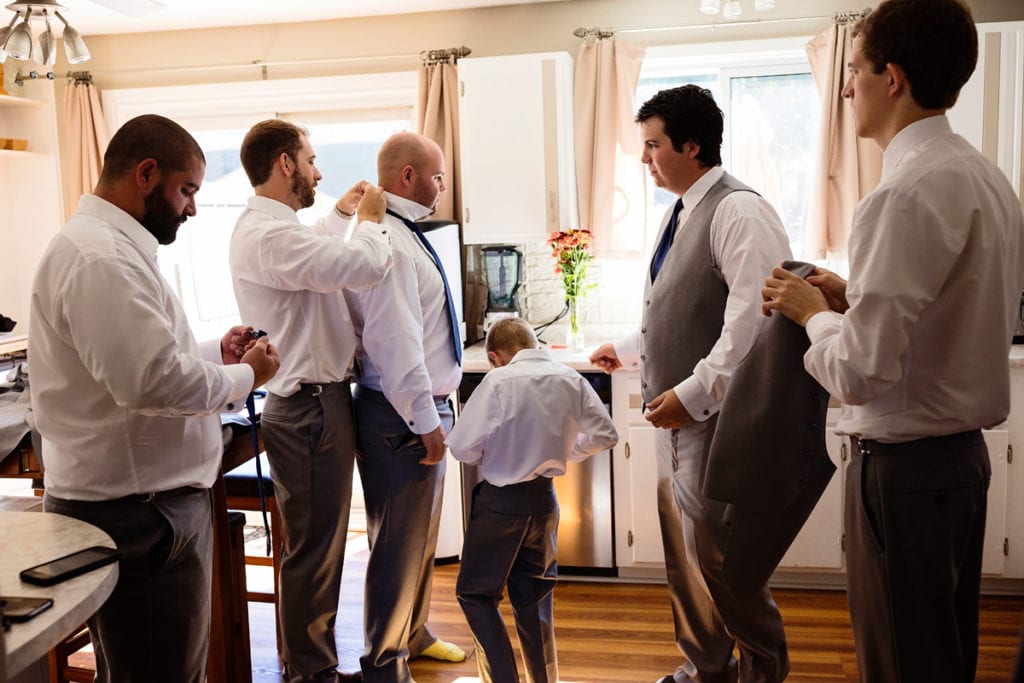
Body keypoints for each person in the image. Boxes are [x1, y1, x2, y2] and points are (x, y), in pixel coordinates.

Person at [761, 1, 1024, 679]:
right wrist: (851, 292)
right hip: (962, 465)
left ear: (893, 78)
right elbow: (944, 308)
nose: (845, 88)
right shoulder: (988, 179)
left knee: (903, 663)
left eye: (853, 69)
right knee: (944, 656)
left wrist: (810, 312)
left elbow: (860, 372)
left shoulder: (899, 195)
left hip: (906, 476)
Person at [29, 114, 281, 683]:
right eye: (187, 189)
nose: (192, 207)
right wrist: (246, 378)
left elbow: (136, 360)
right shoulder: (100, 259)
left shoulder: (110, 248)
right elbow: (150, 382)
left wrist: (216, 351)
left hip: (147, 507)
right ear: (146, 174)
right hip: (138, 516)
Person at [589, 85, 792, 683]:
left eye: (653, 145)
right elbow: (674, 304)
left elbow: (754, 323)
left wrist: (693, 395)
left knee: (726, 562)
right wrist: (627, 348)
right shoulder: (680, 212)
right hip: (673, 420)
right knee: (685, 558)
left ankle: (764, 670)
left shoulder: (740, 211)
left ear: (693, 144)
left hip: (716, 423)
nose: (645, 158)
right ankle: (707, 667)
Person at [229, 118, 393, 682]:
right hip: (308, 410)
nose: (319, 172)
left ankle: (312, 665)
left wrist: (342, 216)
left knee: (319, 550)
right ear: (285, 164)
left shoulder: (274, 230)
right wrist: (371, 224)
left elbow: (311, 254)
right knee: (314, 555)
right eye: (312, 160)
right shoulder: (270, 235)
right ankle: (311, 673)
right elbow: (362, 266)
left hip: (315, 406)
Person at [343, 131, 465, 682]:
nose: (443, 187)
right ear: (409, 176)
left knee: (419, 542)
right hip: (401, 417)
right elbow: (395, 343)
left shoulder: (406, 234)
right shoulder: (388, 242)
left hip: (421, 409)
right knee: (396, 547)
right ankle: (383, 667)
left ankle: (412, 635)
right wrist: (424, 419)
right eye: (437, 176)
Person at [447, 317, 618, 683]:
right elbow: (607, 434)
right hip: (544, 502)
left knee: (476, 594)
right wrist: (570, 450)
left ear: (495, 356)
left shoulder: (497, 381)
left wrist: (489, 454)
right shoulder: (570, 378)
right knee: (535, 598)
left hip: (500, 504)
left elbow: (461, 447)